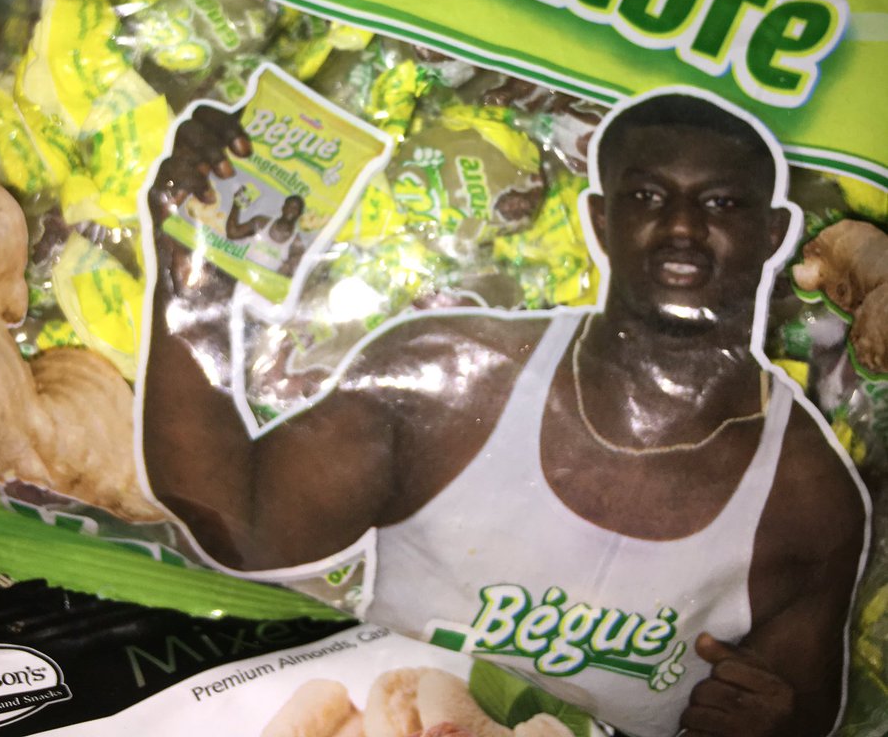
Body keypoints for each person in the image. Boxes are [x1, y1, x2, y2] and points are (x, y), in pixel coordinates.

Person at [142, 93, 868, 737]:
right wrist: (195, 271)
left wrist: (776, 721)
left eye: (723, 204)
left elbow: (803, 708)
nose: (682, 225)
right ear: (600, 219)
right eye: (647, 196)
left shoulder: (807, 498)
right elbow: (243, 528)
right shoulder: (454, 371)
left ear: (774, 232)